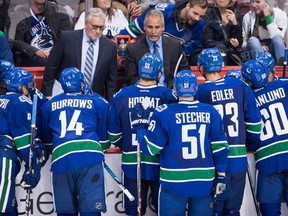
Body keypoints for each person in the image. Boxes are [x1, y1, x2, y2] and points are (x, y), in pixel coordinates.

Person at [130, 69, 229, 215]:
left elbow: (150, 149)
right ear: (196, 88)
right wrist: (221, 176)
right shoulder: (210, 111)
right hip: (204, 182)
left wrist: (141, 127)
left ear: (175, 88)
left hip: (173, 182)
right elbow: (220, 148)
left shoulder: (163, 112)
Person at [108, 53, 177, 215]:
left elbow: (113, 135)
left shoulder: (122, 95)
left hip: (132, 162)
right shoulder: (167, 96)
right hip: (161, 162)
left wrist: (125, 144)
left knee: (134, 210)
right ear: (159, 73)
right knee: (163, 208)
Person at [195, 48, 262, 215]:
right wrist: (250, 144)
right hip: (238, 158)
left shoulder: (201, 92)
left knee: (214, 210)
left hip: (214, 161)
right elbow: (254, 123)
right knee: (232, 211)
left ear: (201, 68)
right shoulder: (240, 86)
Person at [38, 67, 109, 216]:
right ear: (82, 83)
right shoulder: (97, 101)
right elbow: (104, 138)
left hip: (62, 161)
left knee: (65, 213)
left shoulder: (48, 106)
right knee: (91, 212)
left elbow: (46, 139)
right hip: (90, 158)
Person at [241, 60, 288, 216]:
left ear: (247, 81)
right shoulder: (284, 85)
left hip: (268, 159)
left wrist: (251, 145)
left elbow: (252, 132)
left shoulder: (249, 99)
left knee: (269, 210)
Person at [41, 8, 118, 101]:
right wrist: (47, 94)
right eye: (94, 27)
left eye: (102, 28)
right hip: (64, 96)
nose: (98, 31)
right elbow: (51, 68)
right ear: (86, 23)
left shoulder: (110, 46)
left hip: (92, 100)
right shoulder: (66, 38)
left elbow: (111, 81)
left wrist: (111, 104)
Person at [0, 67, 48, 215]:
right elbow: (24, 142)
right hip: (4, 153)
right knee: (4, 207)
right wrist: (33, 166)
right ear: (23, 87)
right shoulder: (21, 102)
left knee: (10, 206)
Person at [118, 0, 208, 64]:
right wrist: (115, 42)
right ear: (188, 6)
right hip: (147, 57)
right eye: (195, 13)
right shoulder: (163, 12)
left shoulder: (200, 25)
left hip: (172, 63)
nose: (197, 18)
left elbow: (187, 51)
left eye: (201, 16)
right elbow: (133, 29)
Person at [125, 9, 190, 87]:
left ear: (163, 27)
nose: (153, 32)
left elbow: (185, 71)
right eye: (150, 27)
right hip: (146, 93)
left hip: (169, 93)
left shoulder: (175, 45)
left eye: (157, 27)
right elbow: (131, 79)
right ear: (144, 27)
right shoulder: (133, 49)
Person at [13, 0, 73, 67]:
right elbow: (17, 41)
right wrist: (35, 51)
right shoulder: (21, 13)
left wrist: (53, 54)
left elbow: (65, 40)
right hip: (31, 61)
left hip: (55, 61)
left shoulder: (59, 12)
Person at [242, 0, 287, 64]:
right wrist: (259, 47)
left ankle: (282, 69)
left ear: (267, 2)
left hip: (272, 50)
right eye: (252, 2)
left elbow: (279, 39)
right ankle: (262, 68)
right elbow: (244, 44)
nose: (254, 5)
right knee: (253, 40)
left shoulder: (280, 14)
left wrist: (268, 17)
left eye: (257, 2)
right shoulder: (247, 17)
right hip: (255, 53)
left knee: (277, 38)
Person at [202, 0, 243, 66]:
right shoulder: (208, 13)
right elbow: (207, 41)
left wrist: (235, 24)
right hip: (213, 53)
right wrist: (227, 42)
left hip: (232, 55)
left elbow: (240, 42)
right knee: (221, 48)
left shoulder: (236, 14)